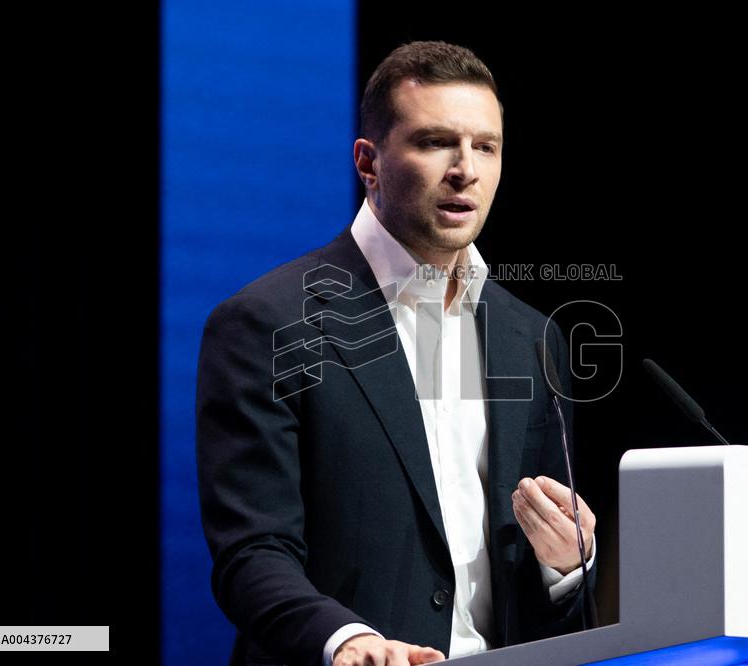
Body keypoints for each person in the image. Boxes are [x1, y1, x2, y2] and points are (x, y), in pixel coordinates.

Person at [196, 40, 597, 666]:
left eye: (485, 147)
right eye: (435, 142)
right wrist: (345, 639)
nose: (465, 169)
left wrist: (566, 566)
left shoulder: (535, 338)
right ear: (368, 162)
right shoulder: (267, 322)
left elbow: (541, 593)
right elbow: (252, 551)